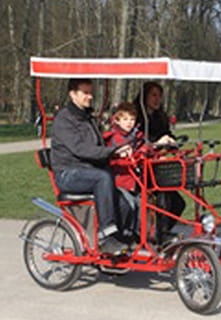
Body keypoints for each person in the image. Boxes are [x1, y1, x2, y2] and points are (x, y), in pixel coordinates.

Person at [51, 78, 133, 255]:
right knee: (102, 177)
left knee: (123, 200)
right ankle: (106, 237)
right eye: (85, 93)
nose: (90, 96)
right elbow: (81, 149)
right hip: (67, 173)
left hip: (86, 171)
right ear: (72, 94)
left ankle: (123, 238)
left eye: (91, 92)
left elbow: (98, 146)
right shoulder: (64, 119)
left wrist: (119, 151)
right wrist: (111, 152)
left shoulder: (87, 117)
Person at [133, 82, 185, 243]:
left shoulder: (160, 117)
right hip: (139, 167)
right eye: (153, 95)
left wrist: (172, 141)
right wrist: (157, 143)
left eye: (159, 96)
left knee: (178, 203)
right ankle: (158, 236)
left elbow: (167, 134)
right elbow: (137, 140)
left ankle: (161, 234)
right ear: (145, 96)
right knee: (163, 196)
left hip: (158, 167)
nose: (157, 99)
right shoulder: (136, 117)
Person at [103, 102, 144, 241]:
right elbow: (113, 156)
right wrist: (123, 153)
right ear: (117, 120)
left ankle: (138, 235)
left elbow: (143, 148)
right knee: (129, 204)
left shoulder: (136, 136)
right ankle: (122, 235)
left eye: (132, 119)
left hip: (134, 180)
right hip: (120, 180)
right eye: (125, 119)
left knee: (142, 204)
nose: (129, 123)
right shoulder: (114, 138)